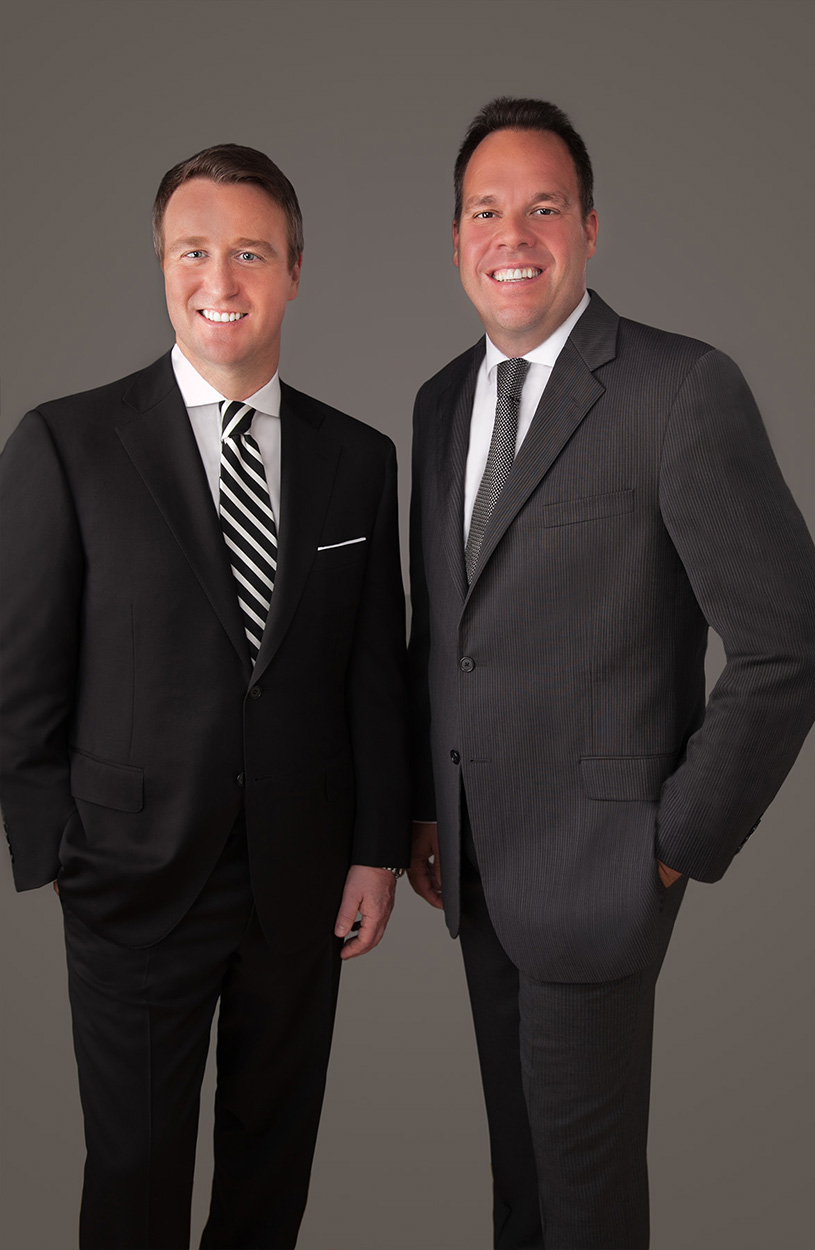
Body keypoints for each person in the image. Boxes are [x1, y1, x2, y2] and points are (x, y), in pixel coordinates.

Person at [407, 97, 815, 1250]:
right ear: (454, 239)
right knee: (519, 1192)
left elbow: (790, 637)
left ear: (589, 227)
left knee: (585, 1209)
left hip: (603, 867)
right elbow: (445, 627)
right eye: (485, 211)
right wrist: (426, 804)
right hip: (474, 865)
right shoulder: (440, 402)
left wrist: (677, 837)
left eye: (542, 207)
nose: (511, 234)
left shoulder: (677, 387)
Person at [0, 143, 410, 1250]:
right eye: (192, 251)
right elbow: (20, 673)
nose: (219, 279)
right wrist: (58, 853)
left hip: (301, 880)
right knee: (134, 1177)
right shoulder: (66, 442)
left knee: (271, 1173)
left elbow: (375, 671)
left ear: (294, 271)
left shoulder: (358, 458)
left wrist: (376, 849)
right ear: (161, 264)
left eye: (250, 252)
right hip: (129, 876)